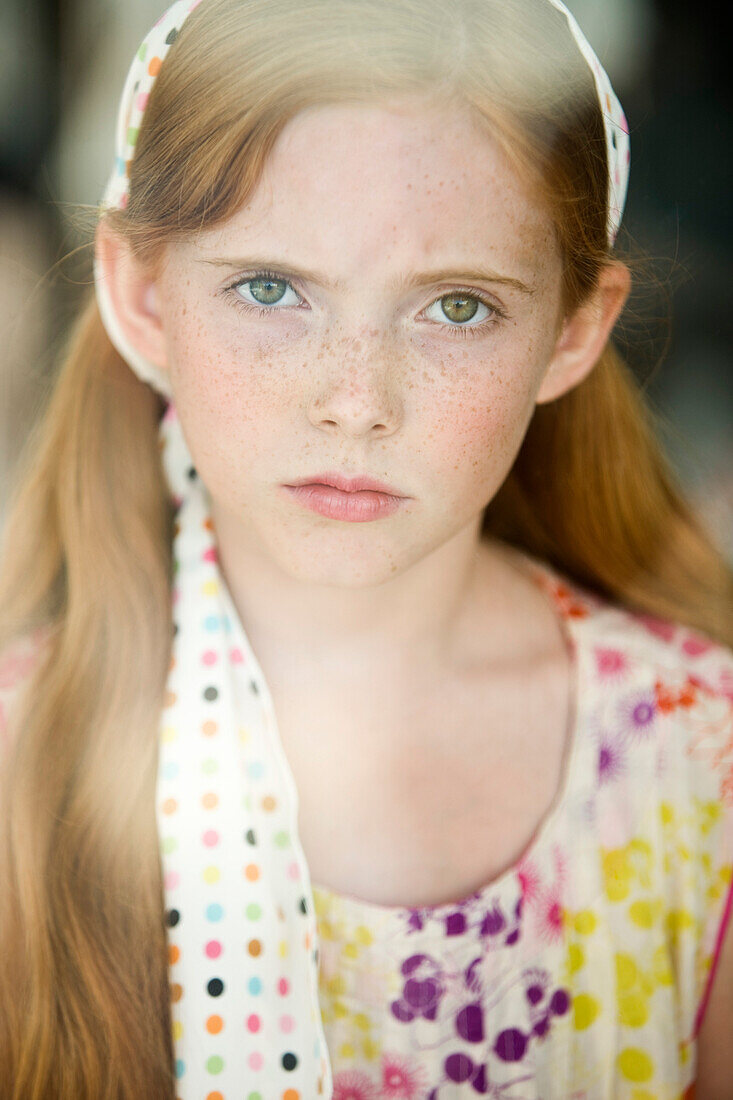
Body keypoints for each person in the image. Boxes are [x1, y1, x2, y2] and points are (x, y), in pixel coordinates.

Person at [0, 0, 731, 1096]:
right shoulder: (21, 757)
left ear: (573, 330)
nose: (356, 402)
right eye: (268, 288)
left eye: (456, 306)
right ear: (143, 297)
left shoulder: (702, 761)